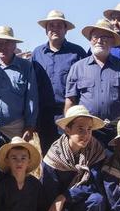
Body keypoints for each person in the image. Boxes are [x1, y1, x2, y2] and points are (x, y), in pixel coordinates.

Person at [41, 105, 107, 211]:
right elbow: (49, 196)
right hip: (53, 208)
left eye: (89, 129)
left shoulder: (95, 150)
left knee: (97, 200)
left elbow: (94, 184)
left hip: (75, 199)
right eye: (80, 129)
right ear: (68, 130)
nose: (86, 134)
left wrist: (65, 196)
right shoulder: (54, 157)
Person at [65, 19, 120, 147]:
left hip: (117, 130)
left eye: (104, 37)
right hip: (87, 131)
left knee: (116, 166)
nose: (99, 41)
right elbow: (70, 101)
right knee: (89, 166)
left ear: (112, 41)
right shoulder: (77, 68)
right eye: (95, 37)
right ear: (90, 40)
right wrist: (69, 129)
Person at [32, 10, 86, 153]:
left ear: (66, 30)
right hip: (45, 116)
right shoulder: (37, 53)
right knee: (48, 156)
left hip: (69, 114)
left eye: (59, 26)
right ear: (46, 30)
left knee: (71, 154)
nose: (54, 29)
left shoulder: (77, 52)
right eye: (51, 25)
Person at [0, 26, 38, 141]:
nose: (3, 47)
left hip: (15, 126)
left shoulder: (25, 66)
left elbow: (31, 98)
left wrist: (30, 125)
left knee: (14, 158)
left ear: (14, 45)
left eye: (7, 43)